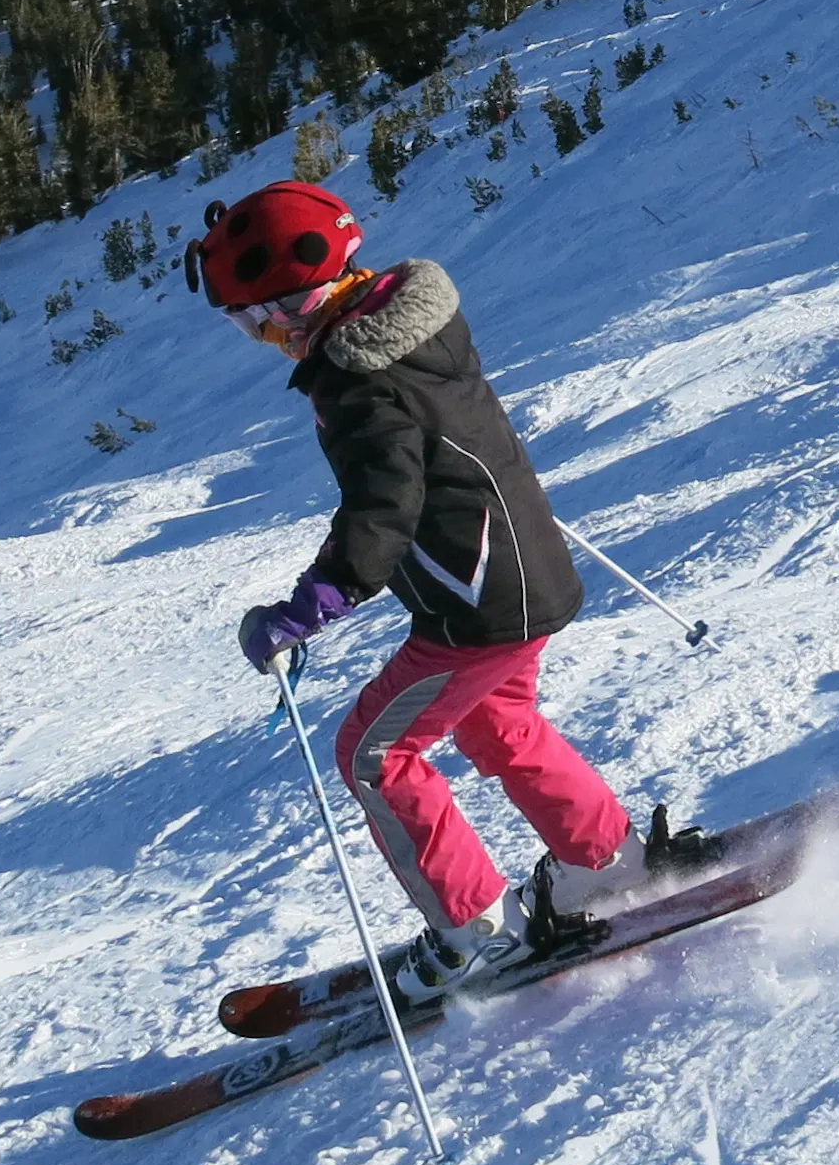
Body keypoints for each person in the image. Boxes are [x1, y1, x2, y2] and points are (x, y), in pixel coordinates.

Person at [194, 178, 706, 998]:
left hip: (477, 611)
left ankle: (477, 932)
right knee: (499, 723)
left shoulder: (357, 380)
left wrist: (303, 611)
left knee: (372, 751)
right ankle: (601, 861)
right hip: (526, 575)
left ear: (295, 304)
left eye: (254, 323)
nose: (260, 340)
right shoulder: (412, 327)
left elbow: (381, 510)